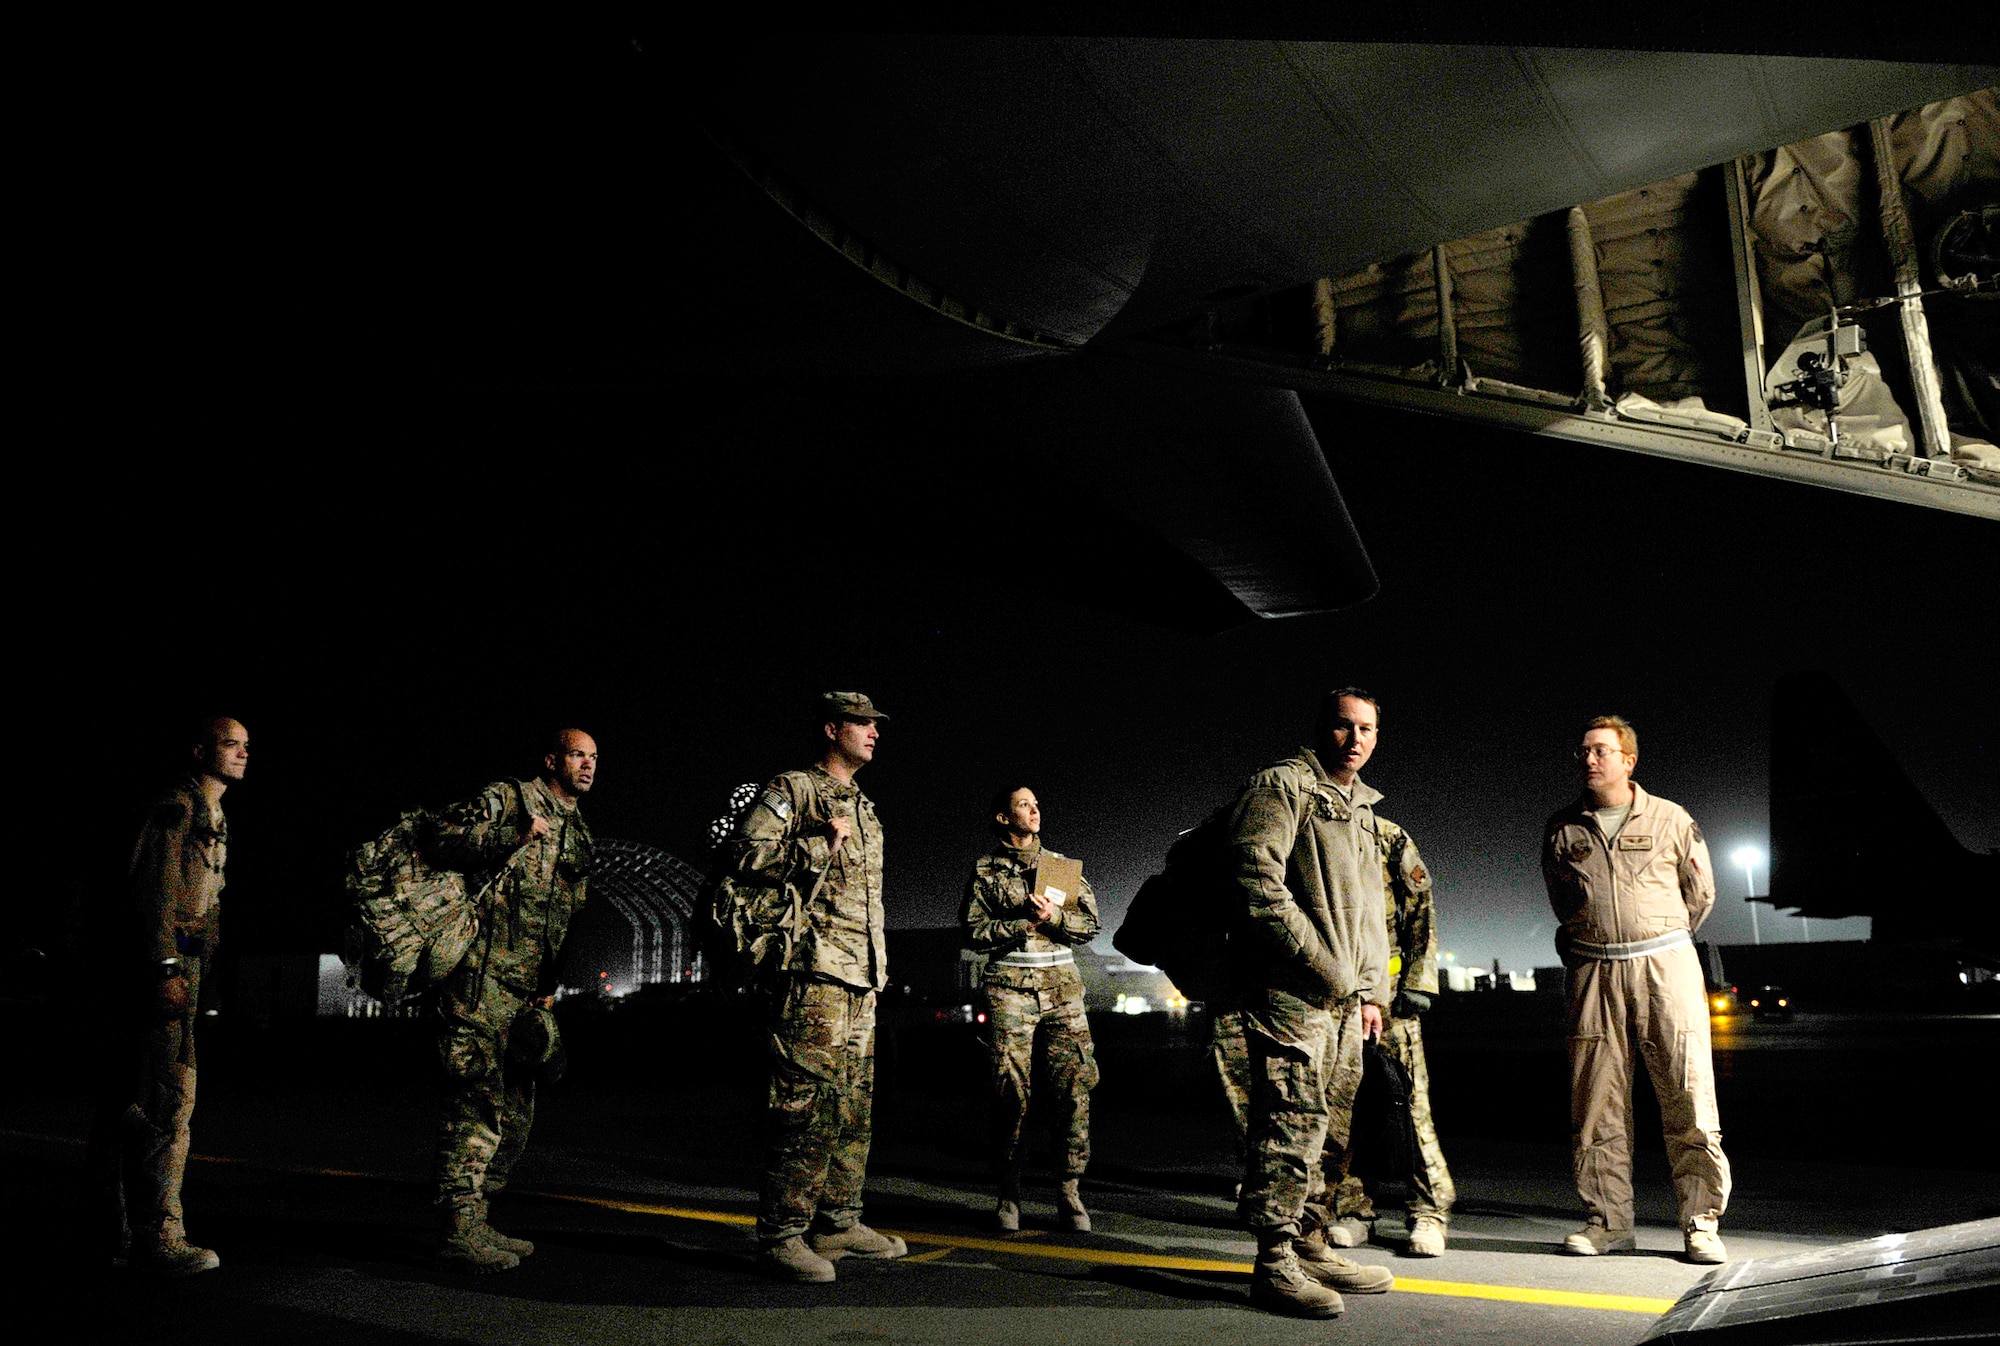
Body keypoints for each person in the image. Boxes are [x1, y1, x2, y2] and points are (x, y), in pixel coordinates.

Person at [1227, 687, 1398, 1318]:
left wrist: (1370, 991)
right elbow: (1255, 881)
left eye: (1368, 729)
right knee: (1290, 1124)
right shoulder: (1282, 785)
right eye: (1343, 726)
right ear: (1320, 728)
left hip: (1346, 1004)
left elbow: (1371, 914)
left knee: (1333, 1128)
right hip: (1291, 995)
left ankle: (1311, 1239)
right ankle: (1273, 1261)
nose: (1355, 739)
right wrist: (1323, 966)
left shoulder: (1360, 809)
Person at [723, 692, 905, 1283]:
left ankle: (839, 1220)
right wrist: (814, 845)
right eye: (863, 724)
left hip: (861, 975)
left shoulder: (865, 806)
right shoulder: (794, 789)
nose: (874, 732)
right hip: (813, 970)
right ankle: (781, 1234)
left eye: (877, 725)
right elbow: (745, 853)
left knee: (852, 1106)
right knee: (802, 1104)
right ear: (832, 730)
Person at [1541, 715, 1729, 1265]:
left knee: (1688, 1093)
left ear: (1629, 759)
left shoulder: (1671, 818)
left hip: (1664, 967)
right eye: (1583, 751)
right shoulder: (1562, 829)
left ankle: (1701, 1222)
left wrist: (1655, 938)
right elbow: (1563, 901)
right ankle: (1607, 1223)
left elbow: (1701, 894)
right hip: (1594, 971)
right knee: (1596, 1103)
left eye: (1601, 750)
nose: (1589, 759)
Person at [426, 727, 597, 1273]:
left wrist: (549, 987)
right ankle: (456, 1228)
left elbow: (564, 914)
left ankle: (479, 1217)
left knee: (517, 1113)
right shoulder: (508, 800)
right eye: (577, 755)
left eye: (594, 758)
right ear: (552, 759)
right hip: (478, 981)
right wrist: (510, 837)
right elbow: (438, 838)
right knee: (475, 1105)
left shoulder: (578, 830)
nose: (588, 765)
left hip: (527, 990)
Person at [87, 716, 249, 1274]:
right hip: (161, 968)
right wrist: (165, 968)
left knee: (128, 1103)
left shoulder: (212, 812)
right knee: (167, 1101)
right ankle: (159, 1236)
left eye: (247, 746)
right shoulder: (178, 808)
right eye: (231, 744)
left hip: (182, 964)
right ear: (200, 749)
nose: (242, 753)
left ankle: (111, 1233)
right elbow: (154, 893)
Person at [961, 786, 1101, 1232]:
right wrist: (1022, 922)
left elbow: (1090, 926)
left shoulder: (1060, 868)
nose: (1035, 809)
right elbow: (972, 930)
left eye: (1038, 803)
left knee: (1074, 1091)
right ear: (1003, 818)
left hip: (1063, 993)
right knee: (1010, 1093)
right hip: (1010, 993)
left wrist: (1055, 918)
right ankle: (1008, 1193)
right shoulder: (985, 870)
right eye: (1024, 804)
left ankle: (1069, 1192)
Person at [1325, 816, 1456, 1256]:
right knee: (1344, 1110)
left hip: (1392, 998)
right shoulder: (1311, 830)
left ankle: (1429, 1212)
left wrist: (1419, 980)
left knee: (1409, 1104)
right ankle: (1352, 1209)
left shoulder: (1387, 835)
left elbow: (1421, 908)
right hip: (1336, 996)